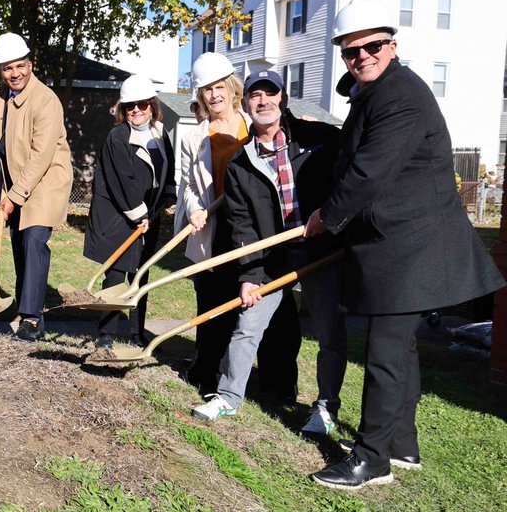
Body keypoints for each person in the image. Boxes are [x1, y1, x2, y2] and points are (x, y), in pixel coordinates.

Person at [306, 0, 504, 489]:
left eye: (373, 46)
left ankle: (371, 459)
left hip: (411, 244)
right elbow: (349, 144)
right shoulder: (377, 93)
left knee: (384, 351)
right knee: (402, 350)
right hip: (400, 241)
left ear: (392, 46)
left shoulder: (400, 97)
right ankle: (402, 443)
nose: (362, 57)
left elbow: (368, 171)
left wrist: (325, 218)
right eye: (352, 51)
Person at [191, 70, 346, 435]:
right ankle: (228, 397)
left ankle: (325, 409)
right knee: (247, 325)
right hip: (274, 255)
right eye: (255, 96)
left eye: (270, 94)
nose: (263, 101)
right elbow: (242, 226)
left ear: (283, 99)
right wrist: (248, 276)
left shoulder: (318, 139)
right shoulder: (241, 164)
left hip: (322, 249)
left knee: (328, 333)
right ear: (246, 104)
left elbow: (354, 170)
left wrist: (334, 217)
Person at [84, 75, 175, 353]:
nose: (136, 110)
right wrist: (138, 214)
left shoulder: (161, 133)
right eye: (130, 106)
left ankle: (137, 332)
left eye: (142, 105)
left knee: (142, 273)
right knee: (117, 274)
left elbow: (168, 170)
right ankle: (106, 334)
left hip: (151, 216)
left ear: (152, 105)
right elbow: (121, 179)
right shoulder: (119, 136)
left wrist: (169, 195)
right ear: (122, 109)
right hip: (122, 216)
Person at [0, 32, 73, 342]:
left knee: (35, 242)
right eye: (7, 68)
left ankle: (31, 322)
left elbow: (41, 156)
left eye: (20, 66)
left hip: (45, 182)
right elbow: (8, 149)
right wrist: (7, 190)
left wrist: (16, 195)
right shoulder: (5, 98)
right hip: (18, 183)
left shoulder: (45, 100)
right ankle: (30, 313)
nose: (15, 74)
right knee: (20, 246)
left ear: (30, 63)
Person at [177, 52, 249, 393]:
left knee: (244, 304)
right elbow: (188, 185)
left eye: (219, 86)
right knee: (210, 301)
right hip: (213, 229)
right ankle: (204, 369)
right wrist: (194, 208)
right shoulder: (195, 137)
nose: (214, 94)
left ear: (232, 88)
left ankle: (234, 375)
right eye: (206, 89)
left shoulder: (252, 128)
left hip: (248, 229)